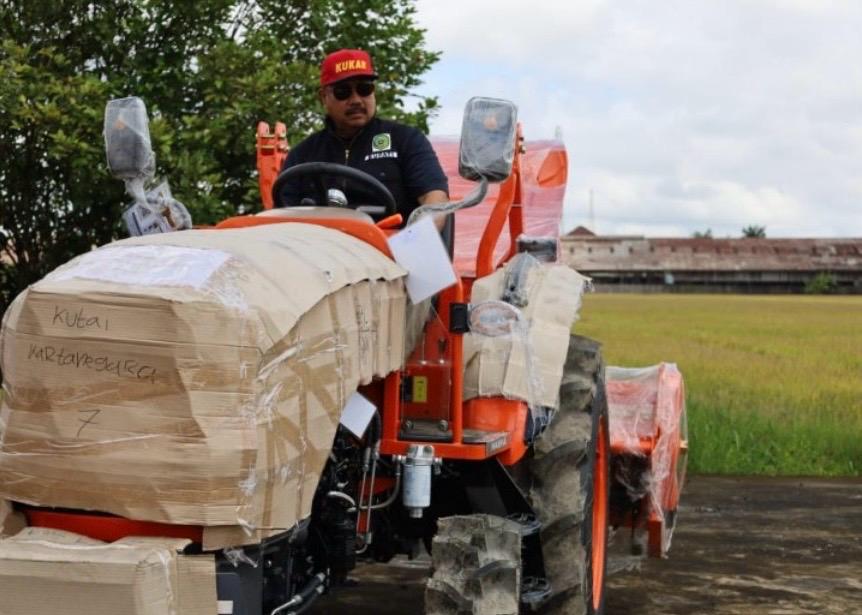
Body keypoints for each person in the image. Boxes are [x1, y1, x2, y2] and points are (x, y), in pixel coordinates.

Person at [277, 49, 449, 226]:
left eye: (364, 89)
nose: (356, 100)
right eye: (343, 92)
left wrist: (410, 243)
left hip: (389, 248)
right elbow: (281, 217)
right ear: (324, 97)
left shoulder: (406, 140)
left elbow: (435, 200)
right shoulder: (302, 155)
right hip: (319, 248)